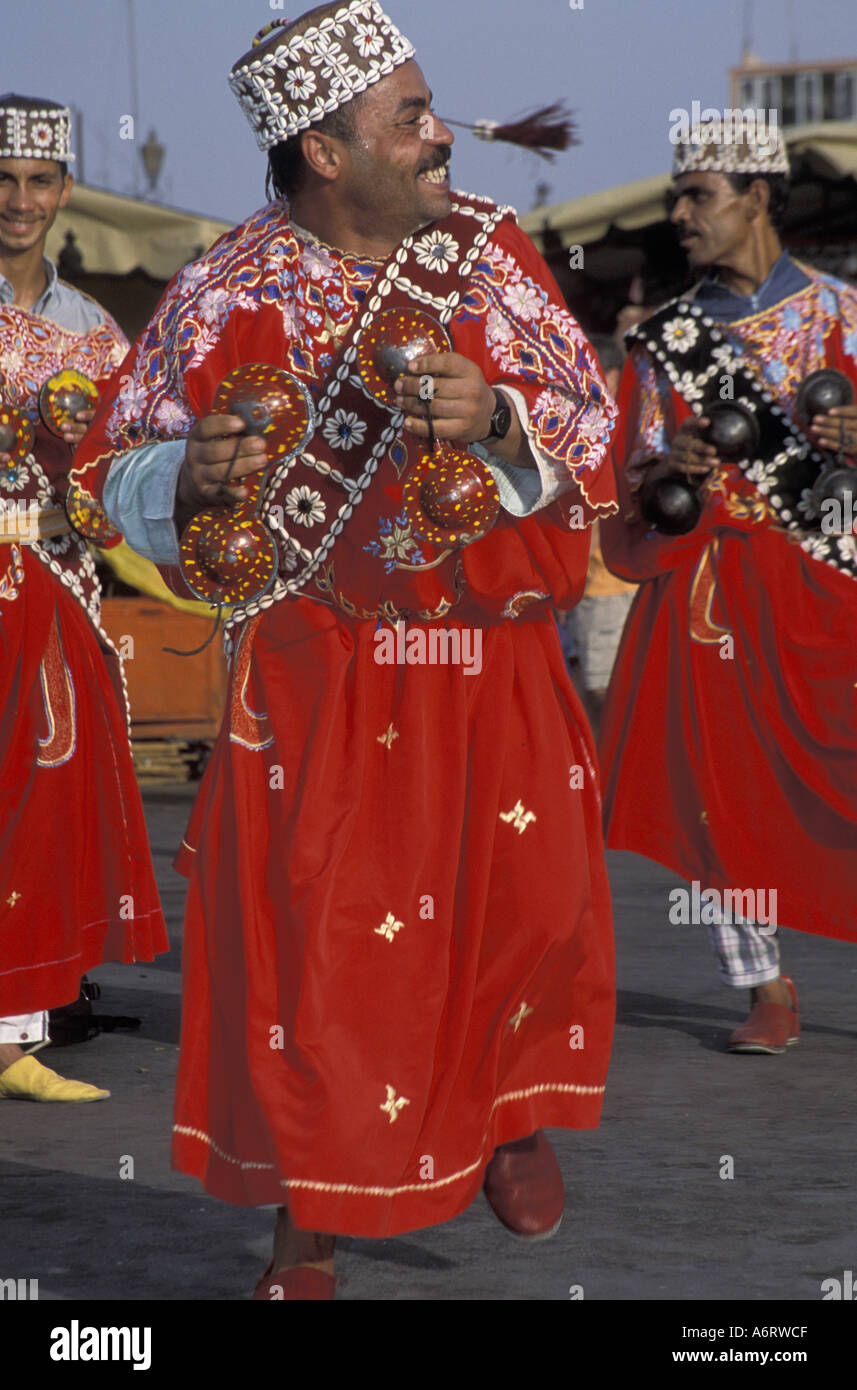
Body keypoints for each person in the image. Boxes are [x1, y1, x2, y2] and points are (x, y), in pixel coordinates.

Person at [76, 3, 618, 1298]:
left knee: (529, 915)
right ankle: (303, 1227)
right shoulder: (224, 288)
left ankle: (507, 1106)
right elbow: (114, 471)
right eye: (410, 119)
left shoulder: (488, 253)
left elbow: (589, 433)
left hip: (492, 656)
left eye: (430, 109)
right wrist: (185, 474)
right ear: (325, 151)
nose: (443, 136)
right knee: (320, 961)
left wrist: (496, 422)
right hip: (321, 676)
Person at [599, 125, 857, 1052]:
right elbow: (627, 478)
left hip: (830, 583)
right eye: (677, 195)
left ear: (756, 194)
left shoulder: (844, 315)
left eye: (697, 194)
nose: (678, 215)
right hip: (713, 595)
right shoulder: (663, 341)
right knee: (718, 793)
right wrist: (670, 463)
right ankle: (763, 984)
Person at [0, 95, 168, 1103]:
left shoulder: (94, 330)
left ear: (64, 190)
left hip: (50, 583)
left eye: (37, 182)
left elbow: (119, 478)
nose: (19, 201)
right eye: (2, 180)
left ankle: (19, 1021)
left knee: (47, 795)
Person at [558, 334, 636, 731]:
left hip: (607, 585)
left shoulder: (608, 427)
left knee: (605, 695)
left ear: (609, 375)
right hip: (600, 584)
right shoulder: (603, 425)